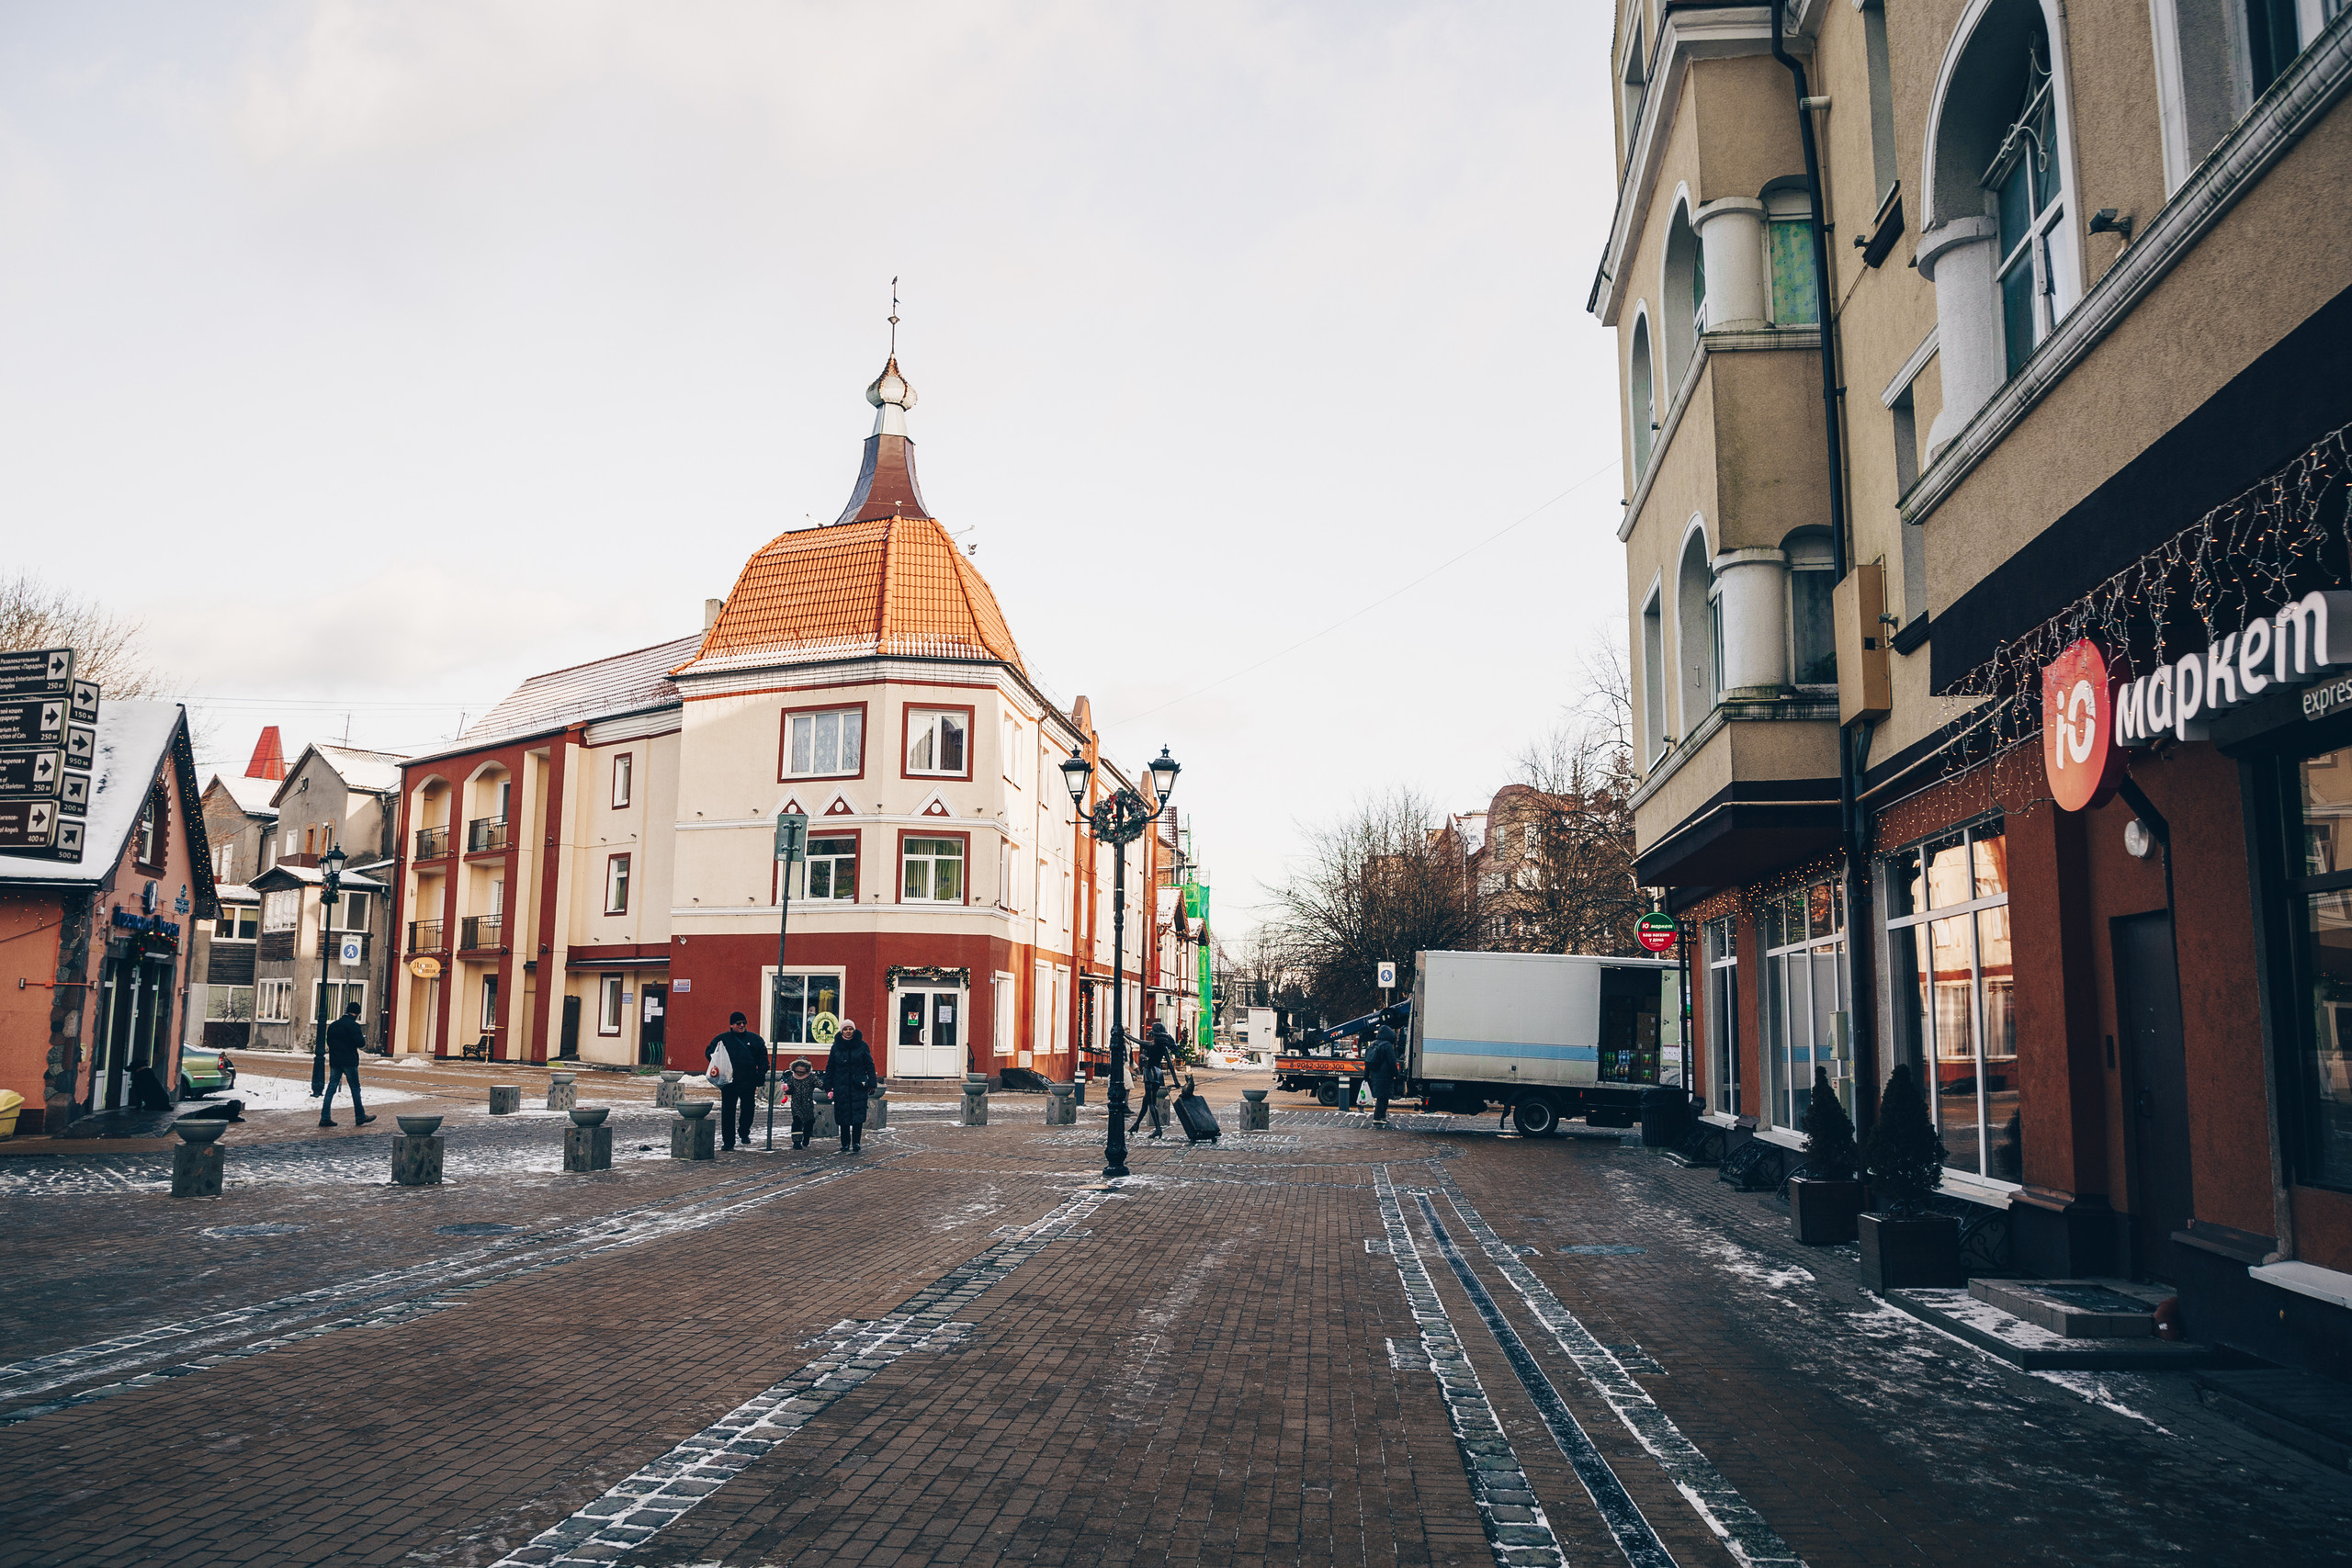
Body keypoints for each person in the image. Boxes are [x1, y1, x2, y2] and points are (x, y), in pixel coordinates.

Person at [706, 1012, 771, 1151]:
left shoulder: (755, 1039)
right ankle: (728, 1142)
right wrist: (719, 1066)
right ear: (731, 1025)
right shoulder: (722, 1039)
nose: (742, 1025)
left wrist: (761, 1073)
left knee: (748, 1110)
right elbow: (710, 1052)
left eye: (744, 1023)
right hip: (729, 1082)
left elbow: (763, 1058)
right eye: (738, 1023)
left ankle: (744, 1131)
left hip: (748, 1080)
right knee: (728, 1112)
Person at [823, 1021, 877, 1153]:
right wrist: (828, 1085)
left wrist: (872, 1083)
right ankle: (845, 1143)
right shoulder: (836, 1047)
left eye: (850, 1029)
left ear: (854, 1030)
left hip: (858, 1086)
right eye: (845, 1029)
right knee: (843, 1116)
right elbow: (830, 1067)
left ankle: (856, 1143)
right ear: (842, 1031)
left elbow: (869, 1065)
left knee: (858, 1115)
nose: (848, 1031)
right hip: (841, 1086)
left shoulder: (862, 1045)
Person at [320, 1001, 376, 1129]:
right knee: (355, 1088)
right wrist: (361, 1038)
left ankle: (325, 1117)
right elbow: (360, 1043)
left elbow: (329, 1042)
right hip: (349, 1061)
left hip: (335, 1060)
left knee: (331, 1088)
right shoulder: (353, 1026)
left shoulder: (333, 1025)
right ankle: (360, 1116)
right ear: (356, 1013)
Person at [1129, 1022, 1173, 1140]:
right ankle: (1136, 1125)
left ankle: (1158, 1129)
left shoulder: (1150, 1044)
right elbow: (1170, 1064)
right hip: (1158, 1074)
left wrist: (1123, 1033)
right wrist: (1175, 1080)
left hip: (1150, 1074)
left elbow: (1135, 1040)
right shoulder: (1163, 1047)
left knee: (1151, 1103)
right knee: (1146, 1101)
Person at [1365, 1021, 1401, 1127]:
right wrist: (1397, 1074)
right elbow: (1392, 1062)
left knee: (1381, 1096)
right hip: (1385, 1075)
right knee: (1384, 1097)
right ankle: (1378, 1117)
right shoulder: (1387, 1046)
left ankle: (1382, 1117)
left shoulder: (1374, 1044)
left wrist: (1366, 1075)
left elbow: (1368, 1061)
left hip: (1375, 1073)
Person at [783, 1056, 821, 1149]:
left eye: (802, 1071)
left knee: (809, 1121)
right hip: (796, 1103)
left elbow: (820, 1084)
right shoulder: (792, 1077)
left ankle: (806, 1136)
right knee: (797, 1121)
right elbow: (790, 1089)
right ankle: (796, 1141)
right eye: (798, 1071)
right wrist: (787, 1089)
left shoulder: (811, 1077)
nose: (799, 1073)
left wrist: (828, 1089)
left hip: (808, 1103)